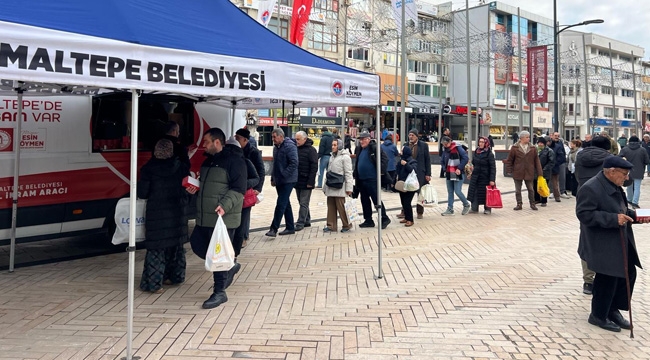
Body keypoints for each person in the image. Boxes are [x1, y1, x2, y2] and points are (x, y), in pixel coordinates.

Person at [576, 156, 648, 332]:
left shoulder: (614, 184)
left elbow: (621, 210)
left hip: (619, 238)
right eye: (624, 174)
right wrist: (613, 219)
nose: (626, 177)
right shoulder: (591, 188)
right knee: (607, 277)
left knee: (627, 273)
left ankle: (613, 309)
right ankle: (598, 315)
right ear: (611, 171)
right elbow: (584, 214)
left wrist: (638, 216)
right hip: (602, 241)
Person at [188, 128, 246, 309]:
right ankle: (230, 266)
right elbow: (208, 188)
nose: (203, 145)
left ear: (217, 142)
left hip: (223, 218)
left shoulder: (235, 162)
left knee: (218, 256)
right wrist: (194, 189)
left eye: (206, 142)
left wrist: (225, 206)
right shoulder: (208, 162)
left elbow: (239, 189)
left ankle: (219, 292)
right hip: (205, 217)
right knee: (197, 244)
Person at [137, 139, 190, 294]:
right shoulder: (181, 167)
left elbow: (142, 193)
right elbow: (187, 189)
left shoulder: (148, 169)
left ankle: (153, 284)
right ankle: (174, 277)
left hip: (157, 214)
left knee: (156, 249)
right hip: (177, 213)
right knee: (176, 247)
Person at [574, 135, 611, 295]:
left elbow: (576, 177)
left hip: (584, 199)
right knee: (606, 240)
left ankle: (588, 281)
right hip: (606, 201)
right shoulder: (609, 159)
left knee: (586, 239)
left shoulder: (579, 156)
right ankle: (603, 276)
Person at [228, 136, 259, 258]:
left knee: (240, 227)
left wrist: (243, 185)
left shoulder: (246, 162)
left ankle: (235, 253)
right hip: (229, 199)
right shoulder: (224, 163)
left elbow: (256, 178)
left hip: (244, 199)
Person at [353, 131, 391, 229]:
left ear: (369, 139)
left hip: (372, 179)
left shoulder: (375, 148)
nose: (361, 141)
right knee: (364, 201)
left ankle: (384, 218)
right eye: (360, 140)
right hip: (361, 180)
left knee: (376, 199)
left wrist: (381, 171)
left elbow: (385, 159)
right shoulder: (359, 149)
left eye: (363, 139)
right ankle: (368, 220)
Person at [235, 128, 265, 249]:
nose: (236, 140)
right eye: (235, 137)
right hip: (238, 186)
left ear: (245, 140)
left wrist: (258, 188)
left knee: (245, 212)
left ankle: (244, 237)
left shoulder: (254, 152)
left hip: (249, 186)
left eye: (238, 138)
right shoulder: (234, 151)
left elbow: (261, 170)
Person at [266, 128, 299, 237]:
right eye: (272, 137)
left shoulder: (290, 146)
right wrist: (273, 178)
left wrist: (284, 174)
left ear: (281, 136)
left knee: (281, 203)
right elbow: (275, 164)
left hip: (288, 180)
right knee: (285, 203)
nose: (273, 139)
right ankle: (290, 227)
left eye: (274, 137)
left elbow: (294, 163)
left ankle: (273, 229)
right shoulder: (276, 148)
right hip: (279, 179)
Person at [504, 131, 543, 211]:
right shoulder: (515, 148)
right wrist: (509, 169)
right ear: (521, 138)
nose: (529, 139)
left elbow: (537, 161)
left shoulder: (532, 148)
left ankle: (532, 203)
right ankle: (519, 204)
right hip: (518, 171)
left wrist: (539, 172)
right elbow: (510, 160)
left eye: (529, 137)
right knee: (518, 190)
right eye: (527, 137)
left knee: (531, 189)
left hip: (529, 172)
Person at [322, 139, 353, 232]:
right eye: (332, 145)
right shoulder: (332, 156)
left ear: (339, 146)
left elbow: (348, 173)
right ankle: (331, 225)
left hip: (340, 185)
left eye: (335, 145)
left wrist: (349, 187)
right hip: (331, 184)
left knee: (341, 207)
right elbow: (328, 172)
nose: (333, 147)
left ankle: (346, 225)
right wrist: (324, 186)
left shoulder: (345, 157)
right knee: (331, 206)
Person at [439, 136, 470, 216]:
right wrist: (445, 169)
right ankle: (450, 209)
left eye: (446, 144)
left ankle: (466, 204)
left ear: (450, 142)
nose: (445, 145)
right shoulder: (445, 150)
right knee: (450, 191)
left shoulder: (458, 148)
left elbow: (465, 158)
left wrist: (459, 168)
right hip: (449, 173)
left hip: (458, 172)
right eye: (443, 144)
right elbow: (442, 161)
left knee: (457, 191)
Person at [294, 131, 318, 231]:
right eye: (296, 139)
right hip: (297, 180)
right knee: (301, 202)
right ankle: (307, 220)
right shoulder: (296, 149)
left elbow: (314, 166)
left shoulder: (311, 150)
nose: (297, 141)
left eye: (298, 139)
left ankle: (300, 223)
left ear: (305, 139)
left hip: (307, 180)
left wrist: (311, 182)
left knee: (304, 202)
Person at [466, 136, 496, 214]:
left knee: (486, 193)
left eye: (483, 142)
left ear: (486, 143)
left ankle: (487, 209)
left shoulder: (489, 154)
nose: (481, 143)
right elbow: (473, 163)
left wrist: (492, 180)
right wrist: (470, 171)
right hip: (476, 176)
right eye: (480, 142)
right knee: (474, 192)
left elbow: (493, 167)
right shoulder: (476, 151)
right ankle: (474, 208)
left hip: (485, 177)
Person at [618, 135, 649, 208]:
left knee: (629, 186)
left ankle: (629, 199)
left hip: (627, 171)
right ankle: (635, 202)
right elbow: (647, 161)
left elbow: (619, 158)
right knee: (637, 187)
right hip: (639, 170)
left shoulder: (625, 149)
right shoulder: (642, 150)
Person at [407, 129, 432, 219]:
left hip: (420, 172)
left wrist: (428, 173)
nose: (411, 137)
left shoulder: (423, 145)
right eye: (409, 135)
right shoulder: (406, 145)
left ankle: (420, 212)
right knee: (407, 193)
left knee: (420, 193)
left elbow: (427, 160)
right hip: (409, 172)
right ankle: (404, 211)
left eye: (413, 135)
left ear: (417, 136)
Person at [396, 146, 418, 226]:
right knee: (403, 202)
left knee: (407, 202)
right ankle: (406, 217)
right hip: (402, 185)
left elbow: (413, 170)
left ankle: (410, 220)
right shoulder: (401, 160)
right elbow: (397, 171)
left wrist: (406, 164)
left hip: (410, 185)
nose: (400, 152)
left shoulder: (412, 161)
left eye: (402, 150)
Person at [534, 136, 555, 207]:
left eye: (541, 143)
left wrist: (544, 169)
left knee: (543, 186)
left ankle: (544, 200)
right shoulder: (535, 150)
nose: (540, 144)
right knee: (535, 186)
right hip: (535, 172)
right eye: (539, 143)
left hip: (545, 172)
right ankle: (537, 199)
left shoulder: (549, 151)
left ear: (545, 144)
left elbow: (551, 162)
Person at [550, 132, 567, 201]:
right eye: (555, 135)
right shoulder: (550, 143)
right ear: (552, 136)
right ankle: (552, 192)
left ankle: (562, 191)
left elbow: (563, 153)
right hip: (552, 163)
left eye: (558, 136)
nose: (557, 137)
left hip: (561, 162)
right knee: (552, 178)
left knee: (562, 177)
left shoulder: (561, 143)